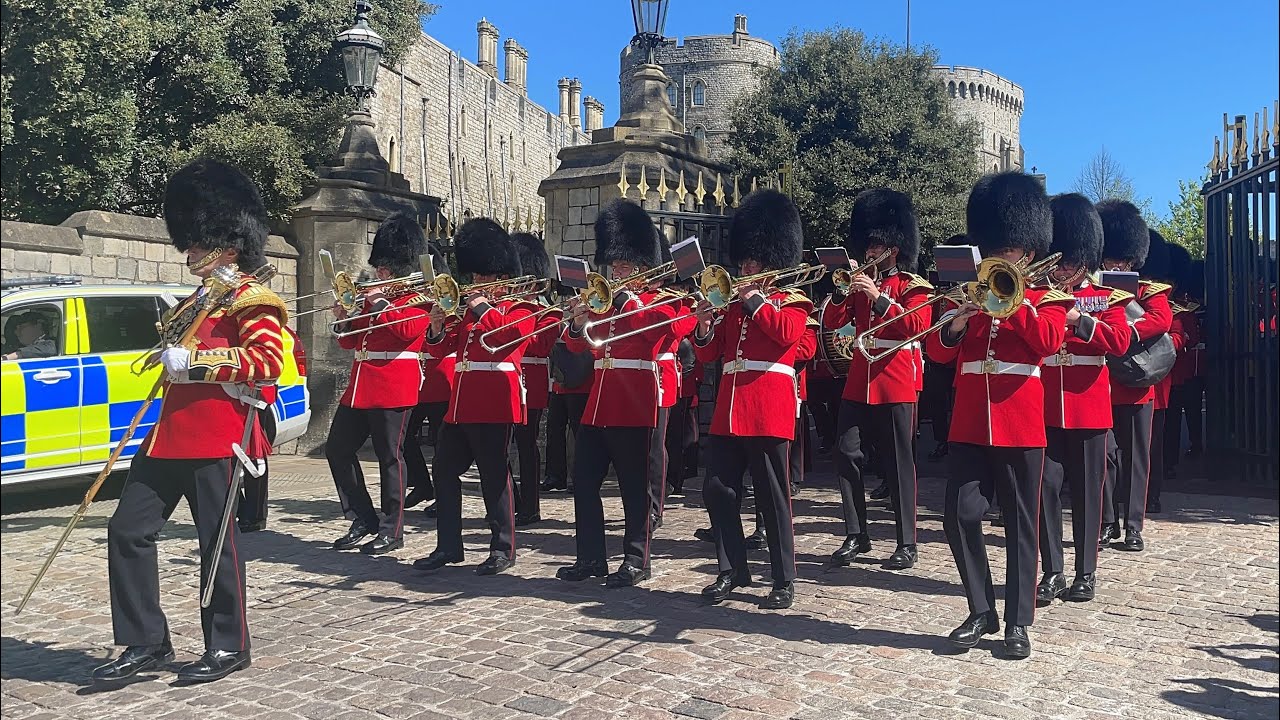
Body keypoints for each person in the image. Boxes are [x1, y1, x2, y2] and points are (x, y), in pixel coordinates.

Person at [94, 158, 285, 684]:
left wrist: (199, 363)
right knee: (126, 531)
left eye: (199, 243)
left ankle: (228, 645)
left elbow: (270, 361)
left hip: (219, 435)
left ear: (229, 241)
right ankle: (145, 641)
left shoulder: (253, 298)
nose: (190, 252)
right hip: (167, 437)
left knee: (217, 543)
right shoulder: (195, 301)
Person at [925, 171, 1075, 660]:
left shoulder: (1047, 298)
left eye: (1005, 249)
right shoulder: (965, 294)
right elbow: (939, 353)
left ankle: (1017, 621)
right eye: (992, 246)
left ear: (1027, 253)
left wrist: (1012, 305)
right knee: (960, 515)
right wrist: (958, 323)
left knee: (1019, 525)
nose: (995, 255)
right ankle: (980, 609)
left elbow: (1049, 342)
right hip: (970, 422)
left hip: (1018, 422)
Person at [555, 200, 694, 588]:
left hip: (634, 404)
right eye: (613, 265)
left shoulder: (662, 302)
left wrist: (626, 300)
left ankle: (637, 559)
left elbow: (661, 330)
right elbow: (585, 347)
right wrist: (577, 322)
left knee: (635, 490)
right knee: (584, 482)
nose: (615, 272)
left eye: (623, 266)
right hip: (598, 406)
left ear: (643, 267)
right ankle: (590, 558)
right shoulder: (604, 304)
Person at [694, 189, 812, 610]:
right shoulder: (730, 306)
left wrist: (755, 301)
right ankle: (732, 569)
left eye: (754, 262)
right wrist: (705, 326)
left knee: (772, 496)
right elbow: (711, 354)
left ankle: (783, 578)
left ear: (772, 262)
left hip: (767, 408)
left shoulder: (793, 301)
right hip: (729, 410)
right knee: (717, 489)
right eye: (744, 261)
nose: (746, 268)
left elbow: (786, 335)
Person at [415, 219, 534, 576]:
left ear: (502, 276)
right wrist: (437, 326)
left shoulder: (521, 307)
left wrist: (481, 307)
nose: (478, 283)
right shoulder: (469, 310)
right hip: (461, 403)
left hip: (496, 401)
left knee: (494, 476)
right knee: (444, 471)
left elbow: (506, 337)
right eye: (477, 277)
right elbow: (443, 349)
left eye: (486, 277)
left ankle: (503, 548)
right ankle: (448, 546)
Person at [823, 188, 933, 571]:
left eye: (878, 246)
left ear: (895, 248)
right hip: (859, 378)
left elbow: (917, 326)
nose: (871, 252)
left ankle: (907, 541)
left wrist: (880, 298)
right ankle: (857, 533)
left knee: (898, 461)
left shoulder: (914, 287)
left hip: (895, 378)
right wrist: (840, 294)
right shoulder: (859, 282)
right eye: (868, 246)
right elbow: (835, 322)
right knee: (845, 451)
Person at [1036, 194, 1132, 607]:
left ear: (1084, 259)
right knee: (1044, 489)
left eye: (1069, 262)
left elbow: (1121, 340)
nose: (1061, 269)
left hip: (1088, 407)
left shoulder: (1104, 298)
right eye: (1057, 261)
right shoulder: (1038, 292)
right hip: (1043, 407)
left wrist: (1080, 320)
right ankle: (1053, 569)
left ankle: (1085, 572)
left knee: (1089, 495)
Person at [326, 213, 430, 556]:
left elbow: (404, 331)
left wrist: (379, 300)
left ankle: (392, 529)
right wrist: (344, 318)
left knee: (389, 458)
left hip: (393, 385)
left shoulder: (418, 299)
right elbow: (350, 344)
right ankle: (361, 518)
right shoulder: (375, 298)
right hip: (361, 385)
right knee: (337, 449)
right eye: (380, 267)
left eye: (385, 267)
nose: (380, 272)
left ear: (398, 267)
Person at [1097, 210, 1172, 552]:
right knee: (1105, 456)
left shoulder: (1147, 290)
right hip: (1102, 384)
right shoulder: (1094, 291)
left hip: (1137, 386)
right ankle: (1108, 520)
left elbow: (1161, 319)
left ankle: (1133, 527)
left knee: (1137, 457)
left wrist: (1124, 330)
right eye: (1109, 259)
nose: (1113, 265)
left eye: (1120, 259)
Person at [511, 232, 561, 526]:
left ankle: (530, 506)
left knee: (526, 445)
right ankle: (513, 500)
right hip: (502, 383)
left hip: (530, 383)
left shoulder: (547, 312)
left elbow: (541, 347)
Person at [404, 244, 454, 516]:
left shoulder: (448, 304)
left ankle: (442, 494)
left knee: (441, 445)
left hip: (440, 381)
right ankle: (422, 484)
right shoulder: (415, 303)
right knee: (404, 438)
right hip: (417, 383)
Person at [1151, 242, 1197, 512]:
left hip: (1164, 378)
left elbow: (1183, 338)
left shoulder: (1177, 309)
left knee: (1161, 437)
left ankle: (1157, 484)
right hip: (1124, 381)